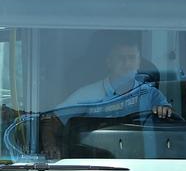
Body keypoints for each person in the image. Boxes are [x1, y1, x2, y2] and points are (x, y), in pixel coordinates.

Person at [40, 32, 173, 157]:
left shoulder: (151, 94)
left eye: (131, 58)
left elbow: (170, 119)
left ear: (139, 62)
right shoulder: (87, 94)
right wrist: (50, 146)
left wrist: (163, 110)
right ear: (109, 62)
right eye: (121, 58)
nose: (127, 64)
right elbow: (52, 119)